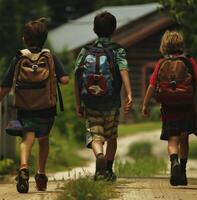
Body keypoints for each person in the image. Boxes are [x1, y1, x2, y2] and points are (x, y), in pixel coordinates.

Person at [0, 18, 69, 193]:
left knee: (26, 138)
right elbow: (65, 80)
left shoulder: (19, 57)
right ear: (44, 38)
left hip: (25, 108)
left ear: (25, 38)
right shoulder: (50, 57)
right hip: (47, 108)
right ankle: (41, 174)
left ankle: (23, 167)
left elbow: (6, 85)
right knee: (43, 140)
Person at [142, 30, 197, 186]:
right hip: (187, 107)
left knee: (172, 139)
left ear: (164, 46)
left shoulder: (161, 63)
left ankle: (173, 160)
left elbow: (151, 86)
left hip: (168, 108)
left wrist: (145, 104)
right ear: (181, 45)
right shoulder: (189, 61)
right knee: (184, 138)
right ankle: (182, 172)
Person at [74, 12, 132, 181]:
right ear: (114, 29)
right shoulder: (117, 50)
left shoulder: (85, 51)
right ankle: (108, 169)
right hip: (112, 102)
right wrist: (129, 93)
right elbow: (124, 70)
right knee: (111, 136)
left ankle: (99, 155)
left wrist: (78, 103)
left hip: (90, 101)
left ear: (94, 29)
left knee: (95, 136)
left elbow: (77, 77)